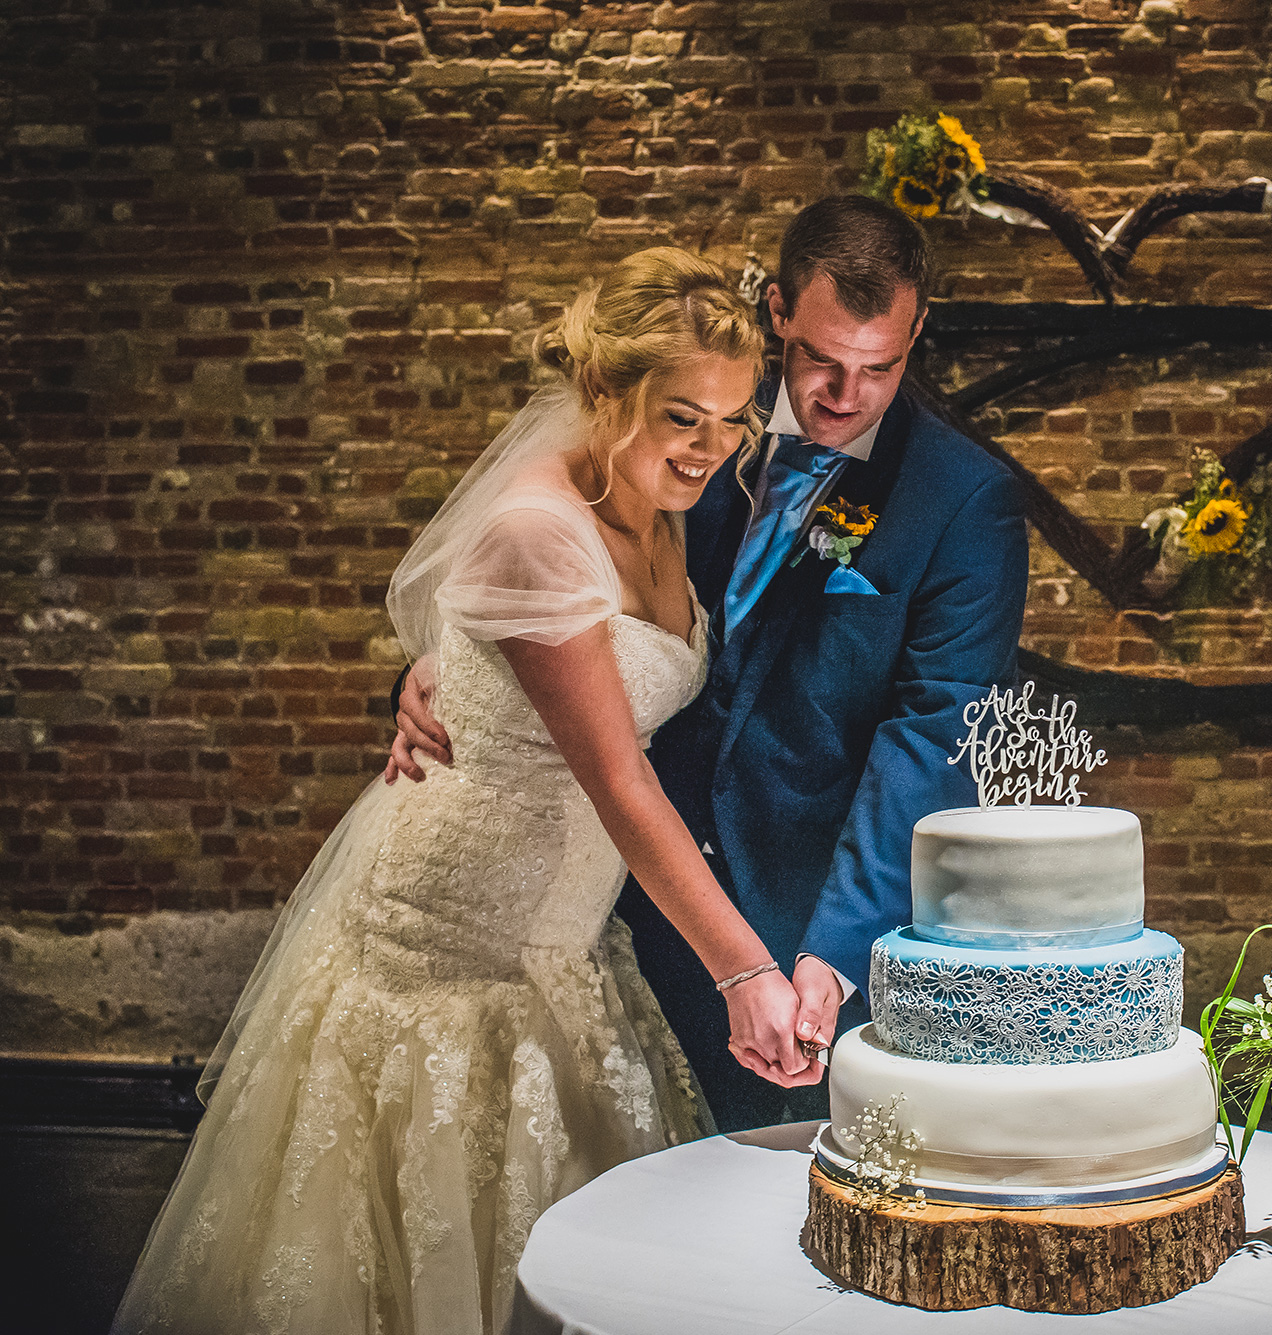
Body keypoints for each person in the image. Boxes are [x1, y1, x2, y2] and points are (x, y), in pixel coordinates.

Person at [114, 248, 815, 1334]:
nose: (712, 449)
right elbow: (619, 779)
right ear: (601, 391)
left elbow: (550, 676)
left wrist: (444, 660)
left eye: (733, 421)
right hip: (456, 939)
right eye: (684, 417)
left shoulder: (664, 498)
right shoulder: (540, 530)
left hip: (565, 929)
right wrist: (745, 973)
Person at [389, 195, 1032, 1130]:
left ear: (916, 334)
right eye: (818, 358)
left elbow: (931, 740)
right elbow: (539, 580)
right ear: (778, 311)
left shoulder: (964, 501)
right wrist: (438, 673)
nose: (842, 396)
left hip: (800, 933)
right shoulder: (685, 425)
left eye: (878, 367)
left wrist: (833, 952)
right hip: (613, 913)